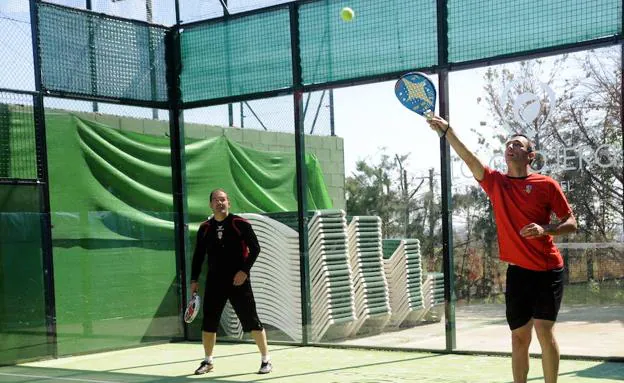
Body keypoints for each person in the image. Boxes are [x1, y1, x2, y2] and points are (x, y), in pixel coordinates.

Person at [427, 116, 577, 383]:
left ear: (530, 155)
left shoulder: (546, 185)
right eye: (508, 144)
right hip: (517, 273)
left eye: (518, 144)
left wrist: (546, 229)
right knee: (519, 338)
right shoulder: (496, 183)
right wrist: (449, 131)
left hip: (547, 270)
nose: (510, 147)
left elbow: (571, 223)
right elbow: (469, 158)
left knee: (544, 330)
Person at [190, 188, 272, 375]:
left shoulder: (239, 223)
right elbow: (198, 256)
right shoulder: (204, 228)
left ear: (229, 203)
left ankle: (266, 360)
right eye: (217, 200)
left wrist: (244, 271)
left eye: (224, 200)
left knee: (251, 321)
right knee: (209, 323)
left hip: (238, 282)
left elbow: (256, 248)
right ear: (211, 204)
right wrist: (194, 280)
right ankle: (208, 361)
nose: (221, 203)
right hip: (214, 282)